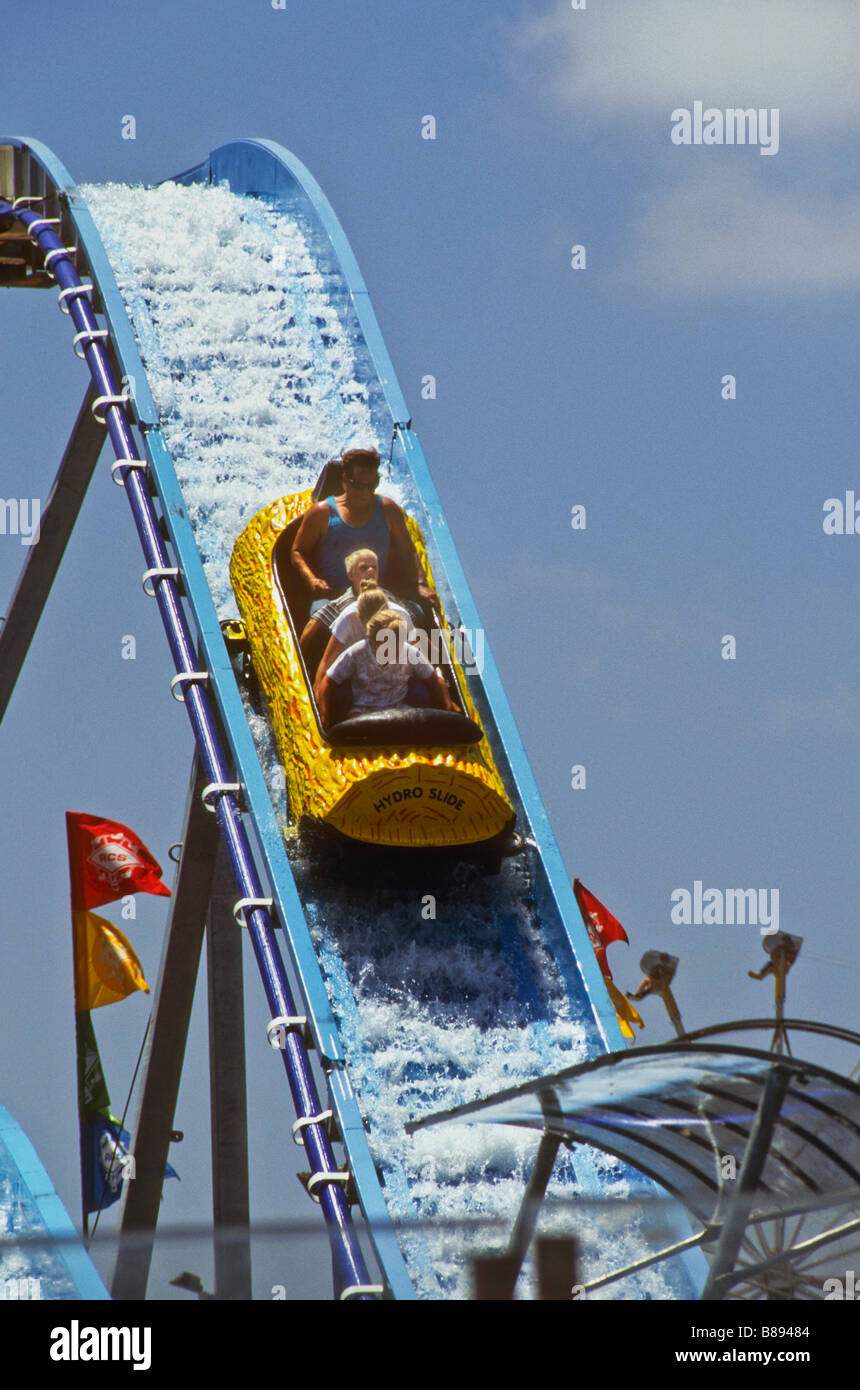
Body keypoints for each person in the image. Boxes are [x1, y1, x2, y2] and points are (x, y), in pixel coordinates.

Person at [291, 447, 440, 619]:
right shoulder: (321, 513)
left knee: (417, 618)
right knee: (318, 627)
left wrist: (420, 584)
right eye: (359, 486)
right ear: (346, 480)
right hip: (333, 595)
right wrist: (311, 580)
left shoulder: (388, 510)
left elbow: (409, 551)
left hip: (377, 594)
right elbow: (297, 552)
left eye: (371, 486)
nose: (365, 493)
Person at [317, 609, 457, 729]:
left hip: (398, 709)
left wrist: (448, 705)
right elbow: (328, 682)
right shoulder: (357, 652)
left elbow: (435, 680)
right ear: (373, 640)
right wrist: (324, 716)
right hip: (363, 712)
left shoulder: (409, 652)